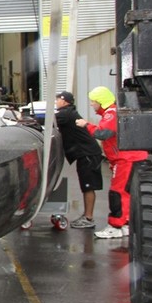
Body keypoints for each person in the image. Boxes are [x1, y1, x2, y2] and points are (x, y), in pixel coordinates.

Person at [76, 86, 148, 239]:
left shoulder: (111, 113)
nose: (91, 104)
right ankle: (126, 223)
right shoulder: (115, 112)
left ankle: (115, 225)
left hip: (126, 159)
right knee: (126, 192)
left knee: (117, 192)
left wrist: (86, 125)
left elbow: (103, 133)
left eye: (93, 101)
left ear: (101, 101)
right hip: (130, 157)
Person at [53, 91, 103, 229]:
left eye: (57, 100)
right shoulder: (69, 112)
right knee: (86, 185)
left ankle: (88, 218)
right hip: (87, 153)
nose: (56, 102)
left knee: (88, 186)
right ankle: (87, 216)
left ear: (64, 101)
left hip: (87, 154)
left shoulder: (65, 113)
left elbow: (47, 119)